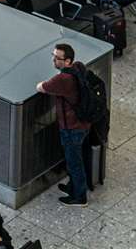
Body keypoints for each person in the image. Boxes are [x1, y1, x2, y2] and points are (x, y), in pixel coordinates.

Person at [36, 43, 91, 207]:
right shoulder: (78, 69)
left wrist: (44, 84)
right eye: (53, 55)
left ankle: (80, 197)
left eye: (57, 58)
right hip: (82, 124)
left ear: (67, 61)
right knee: (74, 159)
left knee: (74, 163)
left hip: (72, 128)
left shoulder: (63, 79)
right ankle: (73, 187)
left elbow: (41, 87)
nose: (53, 60)